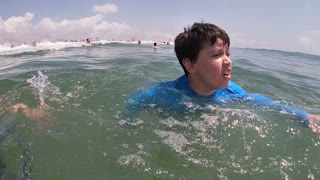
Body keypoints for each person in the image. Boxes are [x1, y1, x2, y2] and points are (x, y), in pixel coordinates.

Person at [126, 22, 320, 134]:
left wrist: (305, 116)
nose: (227, 61)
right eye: (217, 55)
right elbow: (135, 102)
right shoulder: (166, 93)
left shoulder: (231, 91)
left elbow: (263, 102)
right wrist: (129, 126)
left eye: (228, 54)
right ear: (190, 65)